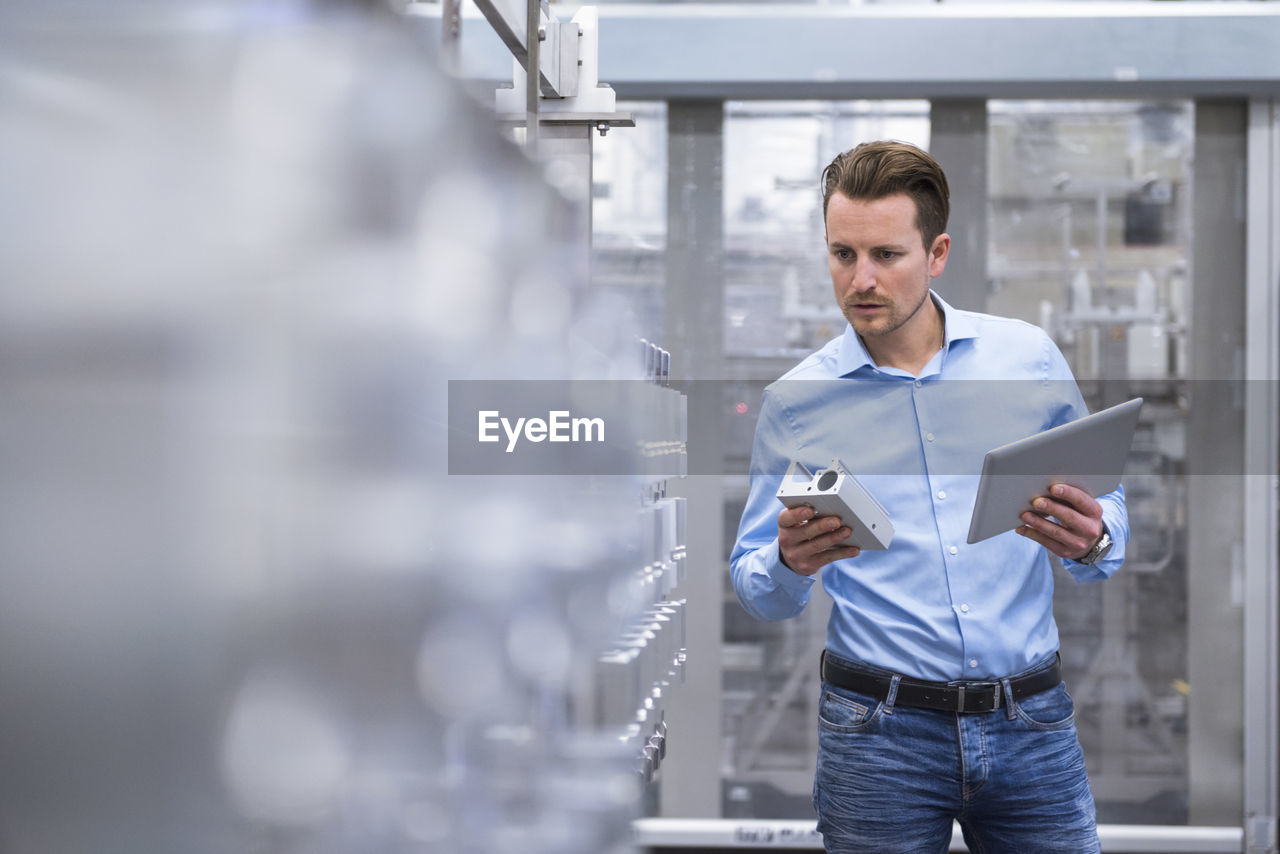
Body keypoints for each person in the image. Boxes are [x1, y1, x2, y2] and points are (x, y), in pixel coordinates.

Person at [729, 140, 1127, 854]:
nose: (860, 280)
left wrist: (1094, 538)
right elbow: (756, 587)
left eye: (886, 255)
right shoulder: (796, 403)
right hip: (877, 735)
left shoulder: (1026, 359)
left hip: (1031, 722)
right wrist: (789, 564)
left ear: (937, 252)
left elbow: (1106, 514)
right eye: (842, 254)